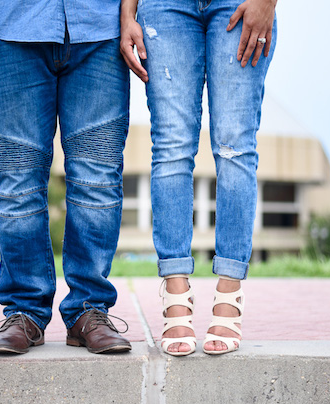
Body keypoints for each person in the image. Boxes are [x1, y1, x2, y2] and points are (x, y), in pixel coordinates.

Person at [0, 0, 132, 355]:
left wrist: (129, 15)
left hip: (101, 31)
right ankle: (24, 312)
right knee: (18, 181)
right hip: (13, 30)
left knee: (98, 181)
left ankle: (89, 310)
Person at [120, 0, 277, 356]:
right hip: (164, 6)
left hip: (239, 3)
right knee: (171, 146)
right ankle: (175, 290)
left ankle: (229, 293)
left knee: (235, 146)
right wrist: (127, 13)